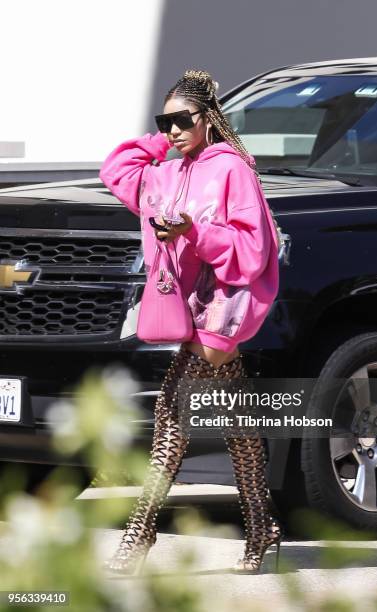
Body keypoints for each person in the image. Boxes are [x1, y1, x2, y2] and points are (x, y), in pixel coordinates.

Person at [99, 69, 283, 576]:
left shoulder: (232, 170)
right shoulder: (165, 171)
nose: (174, 129)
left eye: (184, 119)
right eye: (167, 120)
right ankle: (263, 523)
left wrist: (194, 231)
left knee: (170, 415)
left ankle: (140, 532)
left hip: (225, 302)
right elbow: (116, 170)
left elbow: (252, 251)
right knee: (236, 422)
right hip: (187, 304)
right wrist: (160, 138)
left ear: (210, 119)